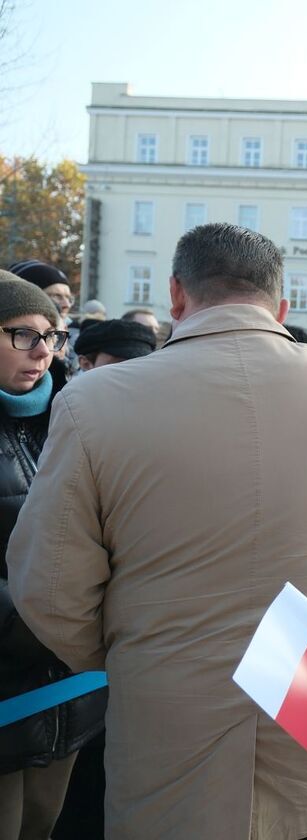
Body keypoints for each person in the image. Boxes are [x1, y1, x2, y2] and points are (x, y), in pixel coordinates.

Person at [7, 223, 307, 839]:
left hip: (172, 718)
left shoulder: (96, 399)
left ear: (176, 296)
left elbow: (49, 588)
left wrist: (142, 651)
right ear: (283, 306)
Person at [0, 273, 106, 840]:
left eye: (52, 335)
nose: (43, 350)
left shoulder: (74, 417)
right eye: (22, 334)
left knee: (44, 825)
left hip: (65, 686)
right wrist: (45, 613)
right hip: (15, 669)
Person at [73, 318, 157, 371]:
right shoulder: (68, 397)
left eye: (142, 365)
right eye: (120, 364)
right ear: (86, 364)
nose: (133, 371)